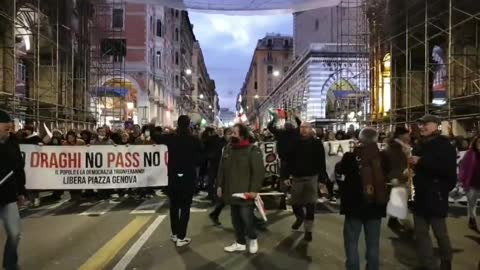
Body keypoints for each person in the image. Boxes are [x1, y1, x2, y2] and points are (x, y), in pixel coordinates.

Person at [409, 115, 457, 270]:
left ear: (436, 125)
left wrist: (420, 161)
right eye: (421, 124)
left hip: (435, 195)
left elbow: (446, 170)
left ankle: (446, 261)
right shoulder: (420, 144)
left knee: (440, 233)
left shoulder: (444, 145)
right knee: (421, 234)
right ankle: (429, 265)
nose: (422, 127)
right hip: (421, 196)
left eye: (426, 124)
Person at [337, 127, 388, 270]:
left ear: (359, 140)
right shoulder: (382, 157)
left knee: (351, 242)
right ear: (376, 139)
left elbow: (340, 171)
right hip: (375, 205)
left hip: (354, 206)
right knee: (373, 243)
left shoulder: (350, 157)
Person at [153, 115, 202, 247]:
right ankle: (182, 236)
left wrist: (152, 124)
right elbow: (200, 158)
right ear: (189, 124)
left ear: (177, 124)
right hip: (188, 176)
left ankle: (175, 234)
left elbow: (155, 137)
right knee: (185, 206)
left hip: (173, 175)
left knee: (174, 206)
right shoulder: (194, 140)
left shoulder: (170, 138)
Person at [217, 124, 264, 254]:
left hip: (246, 193)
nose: (232, 135)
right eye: (231, 132)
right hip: (231, 191)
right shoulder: (228, 149)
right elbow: (222, 169)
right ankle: (240, 242)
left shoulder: (252, 150)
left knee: (246, 218)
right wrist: (220, 185)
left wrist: (254, 191)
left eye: (235, 133)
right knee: (235, 219)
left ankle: (253, 238)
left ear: (242, 135)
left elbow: (258, 172)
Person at [285, 121, 328, 242]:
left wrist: (322, 179)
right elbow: (288, 161)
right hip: (297, 177)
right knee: (294, 202)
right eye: (302, 127)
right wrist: (286, 176)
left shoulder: (316, 143)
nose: (304, 130)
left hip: (312, 177)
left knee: (310, 204)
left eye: (306, 127)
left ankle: (308, 230)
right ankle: (299, 217)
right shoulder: (294, 143)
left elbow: (321, 161)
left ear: (310, 129)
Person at [0, 110, 26, 270]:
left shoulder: (12, 143)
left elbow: (19, 169)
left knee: (15, 233)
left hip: (8, 196)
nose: (9, 132)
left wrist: (21, 191)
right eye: (5, 129)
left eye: (10, 129)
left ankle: (10, 264)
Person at [382, 127, 412, 230]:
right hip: (398, 177)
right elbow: (394, 164)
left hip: (403, 176)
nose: (409, 136)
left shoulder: (402, 147)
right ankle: (404, 222)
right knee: (400, 199)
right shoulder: (395, 148)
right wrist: (394, 177)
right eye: (407, 134)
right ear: (401, 136)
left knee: (399, 199)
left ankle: (393, 220)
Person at [209, 128, 232, 226]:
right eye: (229, 134)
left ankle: (214, 214)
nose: (231, 136)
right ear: (225, 134)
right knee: (227, 197)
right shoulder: (220, 143)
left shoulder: (233, 144)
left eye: (232, 133)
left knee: (229, 197)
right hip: (220, 169)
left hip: (230, 172)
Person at [459, 136, 480, 231]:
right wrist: (462, 181)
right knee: (472, 205)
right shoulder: (470, 153)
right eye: (479, 142)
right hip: (471, 183)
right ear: (475, 143)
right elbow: (463, 167)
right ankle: (472, 220)